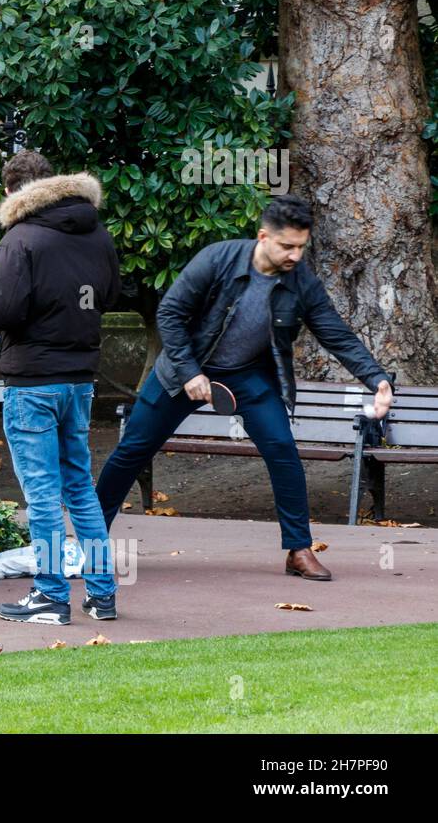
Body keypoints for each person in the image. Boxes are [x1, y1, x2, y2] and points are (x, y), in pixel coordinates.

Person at [95, 194, 394, 581]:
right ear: (263, 237)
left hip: (249, 375)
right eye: (287, 246)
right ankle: (90, 540)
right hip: (185, 369)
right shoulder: (217, 259)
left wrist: (377, 378)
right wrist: (189, 372)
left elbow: (334, 332)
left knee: (283, 449)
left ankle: (298, 550)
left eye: (301, 247)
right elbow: (170, 313)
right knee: (132, 450)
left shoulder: (300, 280)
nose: (295, 256)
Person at [0, 151, 123, 625]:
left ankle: (49, 595)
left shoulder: (21, 239)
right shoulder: (97, 233)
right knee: (80, 488)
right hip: (79, 379)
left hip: (32, 380)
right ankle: (102, 595)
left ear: (11, 191)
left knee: (41, 495)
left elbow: (2, 310)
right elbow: (110, 295)